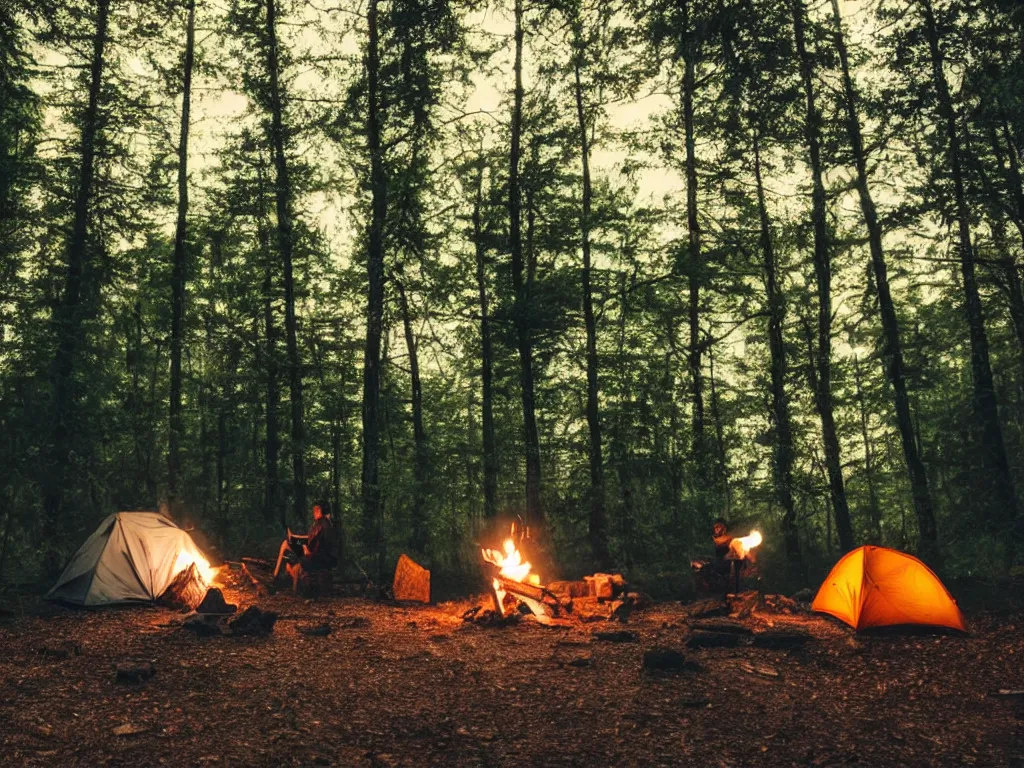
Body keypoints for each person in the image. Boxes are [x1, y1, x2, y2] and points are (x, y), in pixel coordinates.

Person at [273, 502, 338, 592]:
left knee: (285, 544)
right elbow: (310, 539)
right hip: (324, 556)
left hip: (314, 556)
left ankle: (275, 576)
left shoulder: (320, 524)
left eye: (315, 511)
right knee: (289, 543)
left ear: (319, 510)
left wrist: (299, 544)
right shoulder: (327, 523)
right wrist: (295, 538)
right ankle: (285, 574)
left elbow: (310, 545)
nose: (313, 513)